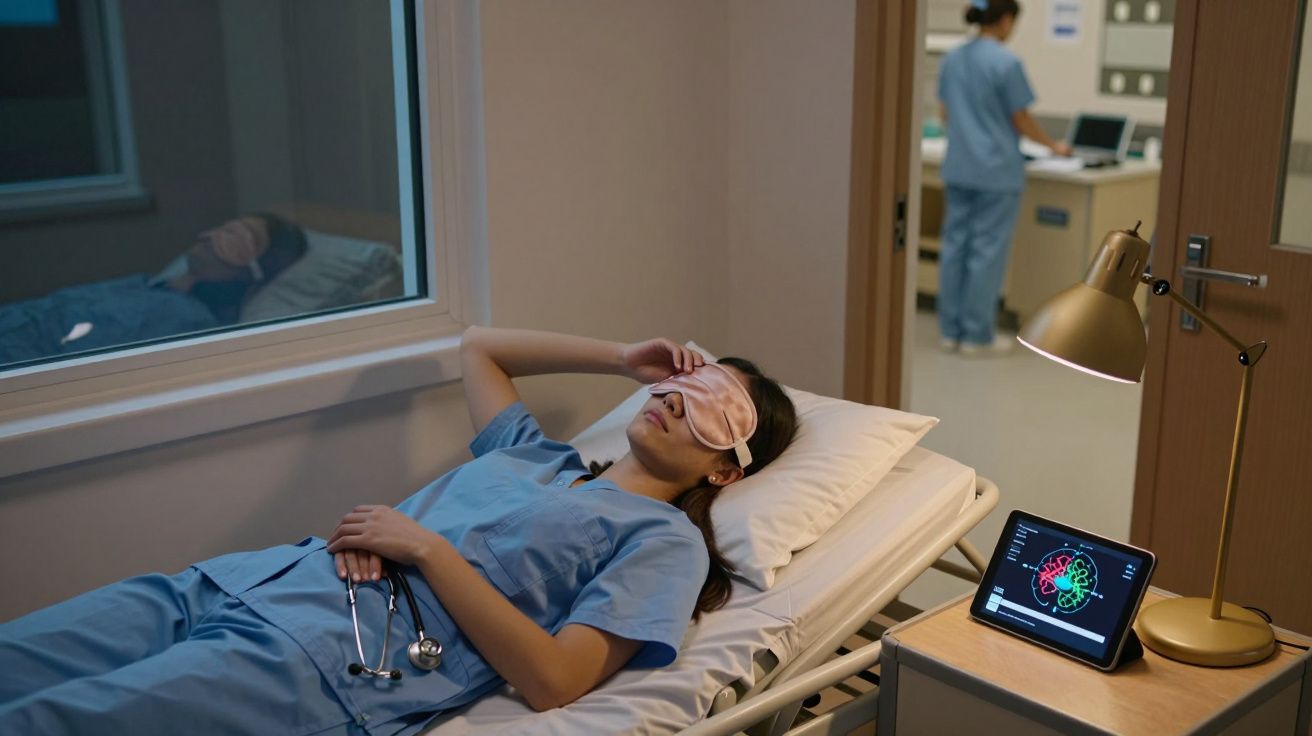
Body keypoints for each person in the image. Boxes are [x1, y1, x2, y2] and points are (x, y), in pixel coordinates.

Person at [0, 327, 798, 734]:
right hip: (243, 584)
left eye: (714, 408)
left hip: (324, 662)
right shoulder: (538, 458)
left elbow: (558, 680)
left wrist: (424, 547)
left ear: (725, 470)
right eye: (689, 383)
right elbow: (479, 346)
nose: (681, 399)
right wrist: (623, 357)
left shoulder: (665, 542)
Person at [936, 0, 1072, 355]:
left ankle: (950, 331)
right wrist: (1053, 146)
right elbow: (1021, 120)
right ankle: (976, 335)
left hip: (960, 165)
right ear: (1007, 20)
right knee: (986, 253)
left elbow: (945, 112)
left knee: (955, 249)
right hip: (995, 171)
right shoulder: (1006, 62)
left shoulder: (953, 58)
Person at [0, 213, 307, 365]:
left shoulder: (184, 319)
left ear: (252, 271)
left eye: (237, 239)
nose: (212, 237)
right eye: (226, 227)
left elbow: (64, 369)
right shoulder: (148, 285)